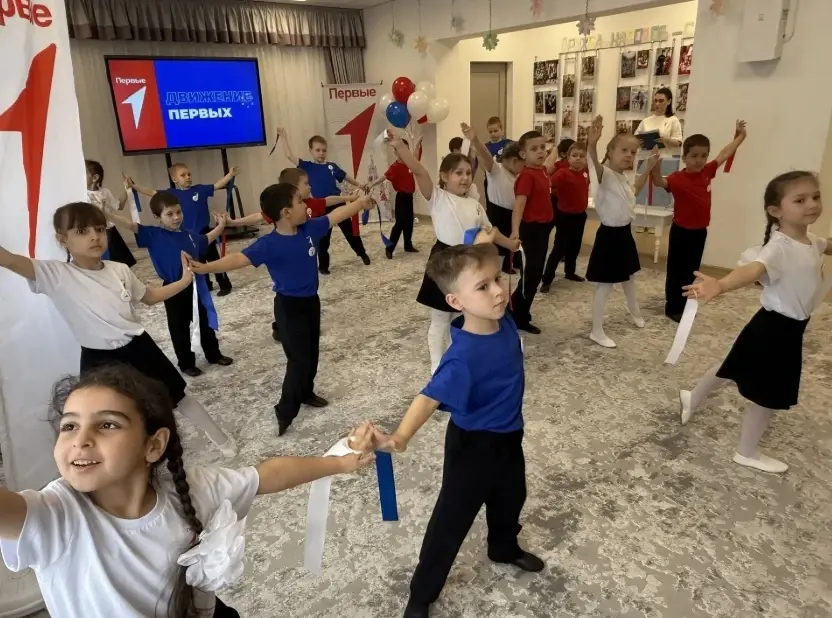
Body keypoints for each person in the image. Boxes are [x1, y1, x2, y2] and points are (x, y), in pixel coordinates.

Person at [0, 364, 374, 618]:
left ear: (153, 445)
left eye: (107, 425)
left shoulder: (191, 489)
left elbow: (266, 476)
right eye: (69, 426)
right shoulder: (55, 516)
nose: (80, 440)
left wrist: (340, 461)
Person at [356, 244, 544, 618]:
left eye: (496, 279)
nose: (498, 291)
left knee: (511, 497)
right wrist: (399, 437)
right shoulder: (461, 359)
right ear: (456, 302)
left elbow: (482, 247)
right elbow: (427, 398)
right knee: (451, 520)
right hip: (473, 448)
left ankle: (503, 547)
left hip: (510, 437)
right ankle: (422, 592)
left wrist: (486, 238)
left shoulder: (504, 319)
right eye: (483, 287)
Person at [0, 202, 237, 457]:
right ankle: (121, 462)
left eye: (99, 229)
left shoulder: (119, 270)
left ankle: (221, 439)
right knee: (105, 417)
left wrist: (184, 280)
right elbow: (9, 260)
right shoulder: (54, 274)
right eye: (82, 231)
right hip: (98, 358)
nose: (94, 236)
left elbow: (150, 296)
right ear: (62, 239)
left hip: (139, 347)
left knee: (178, 397)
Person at [189, 184, 374, 436]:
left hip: (311, 302)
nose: (306, 205)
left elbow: (336, 215)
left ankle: (306, 392)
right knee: (298, 360)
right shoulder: (268, 244)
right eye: (300, 201)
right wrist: (205, 267)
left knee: (312, 353)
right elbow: (238, 259)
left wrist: (360, 203)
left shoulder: (310, 229)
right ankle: (285, 410)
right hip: (288, 307)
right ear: (286, 212)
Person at [679, 171, 831, 474]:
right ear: (776, 211)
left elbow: (826, 245)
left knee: (731, 366)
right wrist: (721, 285)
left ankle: (692, 397)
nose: (812, 204)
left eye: (815, 197)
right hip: (776, 330)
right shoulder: (779, 248)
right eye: (800, 200)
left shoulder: (809, 239)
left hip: (776, 326)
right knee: (768, 395)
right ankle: (746, 452)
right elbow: (753, 269)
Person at [386, 131, 518, 374]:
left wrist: (510, 244)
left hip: (469, 262)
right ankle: (437, 365)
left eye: (468, 173)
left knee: (459, 315)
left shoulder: (475, 205)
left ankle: (454, 355)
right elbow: (419, 171)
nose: (465, 178)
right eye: (458, 173)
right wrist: (401, 148)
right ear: (444, 177)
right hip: (445, 261)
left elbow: (490, 230)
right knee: (439, 318)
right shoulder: (438, 197)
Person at [226, 167, 363, 343]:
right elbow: (258, 217)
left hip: (306, 252)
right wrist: (234, 222)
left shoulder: (311, 203)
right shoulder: (281, 209)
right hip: (288, 265)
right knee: (289, 299)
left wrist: (349, 199)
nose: (310, 186)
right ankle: (281, 327)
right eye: (306, 184)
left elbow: (329, 201)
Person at [105, 191, 234, 377]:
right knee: (178, 327)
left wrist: (221, 225)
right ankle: (186, 363)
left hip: (196, 285)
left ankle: (214, 354)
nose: (176, 217)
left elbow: (208, 238)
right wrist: (106, 214)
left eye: (178, 212)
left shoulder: (189, 235)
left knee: (204, 321)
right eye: (169, 214)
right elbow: (130, 224)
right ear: (158, 217)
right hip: (172, 289)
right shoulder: (153, 235)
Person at [651, 121, 748, 322]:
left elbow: (724, 153)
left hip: (699, 232)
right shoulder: (677, 178)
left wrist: (740, 136)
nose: (699, 160)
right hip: (681, 232)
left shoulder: (707, 172)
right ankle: (673, 307)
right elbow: (659, 182)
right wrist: (655, 168)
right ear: (684, 158)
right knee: (676, 271)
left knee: (691, 271)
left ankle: (685, 304)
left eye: (703, 156)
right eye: (694, 156)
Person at [585, 116, 658, 348]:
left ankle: (634, 310)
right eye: (624, 150)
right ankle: (596, 331)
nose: (629, 155)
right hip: (609, 236)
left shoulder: (622, 177)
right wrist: (592, 144)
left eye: (633, 152)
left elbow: (633, 191)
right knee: (605, 285)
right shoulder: (603, 174)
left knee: (629, 276)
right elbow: (593, 163)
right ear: (610, 152)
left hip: (624, 234)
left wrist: (648, 169)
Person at [127, 163, 240, 296]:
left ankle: (224, 285)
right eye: (183, 175)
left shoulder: (200, 189)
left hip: (204, 233)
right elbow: (152, 192)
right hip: (187, 236)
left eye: (189, 174)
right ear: (175, 179)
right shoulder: (171, 194)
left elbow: (217, 185)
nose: (187, 177)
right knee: (196, 262)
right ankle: (205, 285)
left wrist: (230, 175)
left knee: (214, 260)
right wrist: (135, 186)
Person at [276, 127, 370, 273]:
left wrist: (359, 185)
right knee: (323, 238)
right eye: (318, 150)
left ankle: (362, 254)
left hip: (337, 203)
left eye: (324, 150)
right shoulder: (307, 166)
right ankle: (323, 266)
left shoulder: (332, 166)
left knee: (350, 232)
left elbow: (345, 176)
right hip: (321, 206)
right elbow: (289, 155)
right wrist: (283, 137)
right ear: (311, 151)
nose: (321, 153)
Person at [508, 130, 558, 335]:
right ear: (523, 154)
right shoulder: (527, 176)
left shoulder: (542, 171)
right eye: (534, 149)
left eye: (542, 148)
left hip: (542, 231)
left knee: (534, 274)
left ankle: (514, 310)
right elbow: (518, 206)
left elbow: (551, 160)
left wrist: (554, 147)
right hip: (530, 231)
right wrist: (515, 232)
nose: (540, 152)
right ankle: (519, 316)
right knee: (531, 276)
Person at [461, 123, 524, 275]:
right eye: (523, 165)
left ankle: (514, 260)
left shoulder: (518, 175)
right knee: (498, 243)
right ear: (514, 161)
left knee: (513, 237)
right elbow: (485, 155)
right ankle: (501, 265)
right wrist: (475, 139)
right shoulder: (496, 170)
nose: (524, 168)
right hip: (498, 212)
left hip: (512, 212)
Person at [540, 142, 590, 291]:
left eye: (581, 156)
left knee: (575, 246)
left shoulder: (585, 172)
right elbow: (548, 183)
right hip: (565, 216)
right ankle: (547, 279)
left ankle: (570, 272)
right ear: (568, 158)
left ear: (585, 159)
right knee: (559, 248)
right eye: (574, 155)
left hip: (580, 216)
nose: (578, 158)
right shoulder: (562, 173)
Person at [367, 138, 420, 259]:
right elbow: (384, 177)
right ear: (395, 152)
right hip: (401, 198)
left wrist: (417, 144)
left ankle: (408, 245)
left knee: (409, 222)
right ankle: (389, 248)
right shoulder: (394, 167)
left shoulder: (409, 163)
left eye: (406, 149)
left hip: (409, 197)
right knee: (399, 224)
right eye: (400, 149)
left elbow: (416, 157)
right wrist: (372, 183)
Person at [85, 160, 136, 267]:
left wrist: (127, 189)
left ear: (95, 178)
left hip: (109, 233)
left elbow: (119, 205)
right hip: (91, 234)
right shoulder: (81, 194)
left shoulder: (105, 192)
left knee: (117, 265)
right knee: (100, 265)